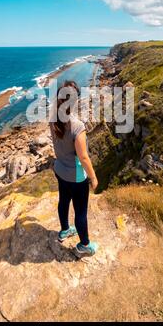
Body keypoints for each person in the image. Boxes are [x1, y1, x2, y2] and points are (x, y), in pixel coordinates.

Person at [49, 80, 98, 257]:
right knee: (81, 211)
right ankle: (84, 246)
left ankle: (64, 230)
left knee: (63, 201)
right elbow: (83, 157)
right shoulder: (77, 126)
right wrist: (93, 178)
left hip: (60, 170)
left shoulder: (53, 117)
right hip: (76, 176)